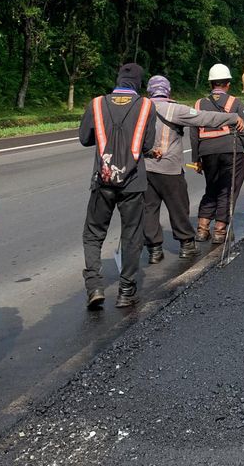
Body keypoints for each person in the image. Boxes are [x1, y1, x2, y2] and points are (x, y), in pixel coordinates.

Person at [79, 63, 156, 310]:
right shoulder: (146, 106)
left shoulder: (97, 104)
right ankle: (126, 291)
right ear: (138, 83)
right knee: (132, 236)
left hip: (103, 181)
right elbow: (147, 145)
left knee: (93, 234)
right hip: (133, 183)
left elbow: (85, 139)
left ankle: (94, 286)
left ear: (118, 80)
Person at [142, 75, 241, 264]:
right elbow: (205, 118)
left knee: (149, 210)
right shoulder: (174, 109)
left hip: (145, 169)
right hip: (169, 168)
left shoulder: (140, 109)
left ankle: (154, 250)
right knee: (178, 207)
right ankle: (187, 245)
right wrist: (233, 117)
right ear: (168, 91)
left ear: (149, 91)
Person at [191, 64, 244, 244]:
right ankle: (220, 231)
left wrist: (196, 159)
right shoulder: (234, 102)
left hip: (207, 153)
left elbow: (193, 133)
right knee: (228, 189)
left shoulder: (198, 104)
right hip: (231, 151)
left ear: (211, 84)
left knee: (211, 187)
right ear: (227, 84)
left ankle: (202, 229)